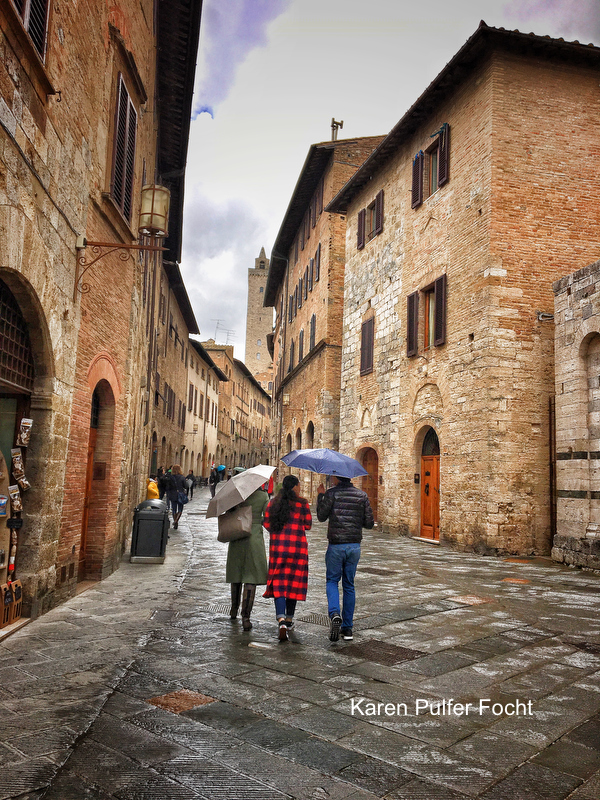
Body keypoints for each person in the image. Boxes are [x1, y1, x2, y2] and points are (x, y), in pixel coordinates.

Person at [317, 475, 374, 642]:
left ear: (336, 478)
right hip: (354, 546)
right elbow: (369, 523)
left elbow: (321, 516)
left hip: (336, 545)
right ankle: (347, 628)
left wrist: (321, 495)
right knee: (349, 584)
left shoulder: (331, 493)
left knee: (332, 580)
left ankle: (335, 613)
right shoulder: (361, 495)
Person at [263, 475, 312, 641]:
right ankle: (290, 619)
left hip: (278, 549)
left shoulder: (273, 503)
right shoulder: (302, 504)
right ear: (295, 487)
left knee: (279, 583)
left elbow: (267, 524)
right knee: (294, 583)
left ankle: (281, 619)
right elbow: (308, 525)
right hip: (298, 549)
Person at [226, 485, 269, 631]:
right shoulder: (263, 496)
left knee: (236, 573)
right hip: (254, 537)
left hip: (237, 534)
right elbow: (267, 517)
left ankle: (233, 609)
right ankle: (246, 617)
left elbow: (228, 512)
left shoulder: (237, 495)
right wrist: (259, 520)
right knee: (251, 576)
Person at [166, 464, 187, 529]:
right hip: (180, 494)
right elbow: (185, 486)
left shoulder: (170, 477)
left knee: (174, 508)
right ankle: (176, 521)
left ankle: (175, 522)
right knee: (180, 509)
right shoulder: (182, 477)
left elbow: (168, 486)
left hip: (173, 494)